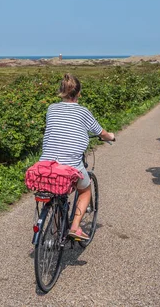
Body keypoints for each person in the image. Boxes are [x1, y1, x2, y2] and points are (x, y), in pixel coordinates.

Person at [39, 74, 115, 240]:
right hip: (71, 164)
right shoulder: (83, 111)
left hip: (46, 163)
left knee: (56, 191)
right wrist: (110, 136)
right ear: (78, 93)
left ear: (61, 91)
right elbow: (100, 132)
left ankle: (57, 226)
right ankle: (74, 227)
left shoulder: (51, 108)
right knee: (85, 191)